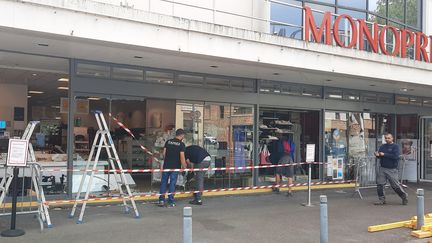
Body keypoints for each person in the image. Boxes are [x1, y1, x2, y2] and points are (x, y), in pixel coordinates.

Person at [374, 133, 408, 205]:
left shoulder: (395, 146)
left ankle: (404, 196)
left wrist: (384, 154)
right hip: (382, 168)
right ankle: (382, 199)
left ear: (392, 138)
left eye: (389, 138)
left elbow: (396, 156)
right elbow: (380, 156)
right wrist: (377, 155)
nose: (387, 139)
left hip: (392, 169)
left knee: (395, 185)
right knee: (380, 184)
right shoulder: (382, 146)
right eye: (386, 138)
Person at [158, 129, 187, 208]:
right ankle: (170, 202)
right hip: (175, 167)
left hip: (166, 166)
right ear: (182, 135)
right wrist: (184, 167)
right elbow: (182, 157)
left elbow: (164, 154)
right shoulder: (181, 144)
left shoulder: (168, 142)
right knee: (172, 183)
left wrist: (167, 160)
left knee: (163, 182)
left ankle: (161, 200)